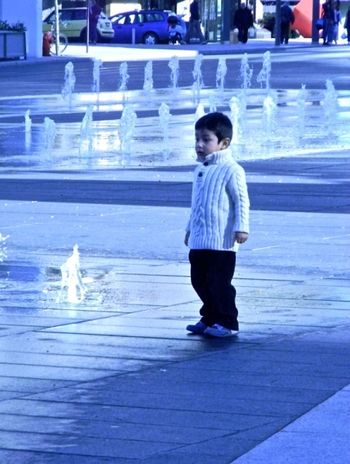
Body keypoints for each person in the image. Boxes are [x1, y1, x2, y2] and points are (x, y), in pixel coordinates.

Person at [185, 112, 250, 338]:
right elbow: (196, 205)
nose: (199, 145)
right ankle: (210, 316)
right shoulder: (200, 170)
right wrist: (189, 229)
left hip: (221, 242)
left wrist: (242, 227)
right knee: (199, 281)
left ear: (224, 143)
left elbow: (241, 200)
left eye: (206, 140)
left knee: (219, 283)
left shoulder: (232, 169)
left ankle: (227, 321)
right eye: (197, 140)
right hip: (200, 239)